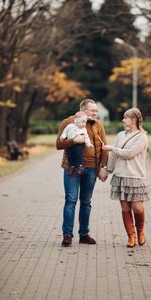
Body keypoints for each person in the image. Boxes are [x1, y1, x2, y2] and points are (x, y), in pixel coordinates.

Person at [56, 99, 108, 246]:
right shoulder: (68, 122)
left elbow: (105, 147)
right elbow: (58, 144)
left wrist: (104, 167)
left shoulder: (98, 125)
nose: (95, 113)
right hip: (72, 168)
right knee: (71, 200)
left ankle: (84, 234)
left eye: (96, 111)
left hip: (91, 169)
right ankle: (67, 236)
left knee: (86, 202)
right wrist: (73, 140)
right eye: (93, 110)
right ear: (83, 110)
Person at [102, 108, 149, 248]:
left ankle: (140, 232)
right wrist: (107, 170)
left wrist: (112, 148)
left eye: (126, 118)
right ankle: (131, 236)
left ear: (134, 120)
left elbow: (130, 153)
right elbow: (114, 156)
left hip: (135, 177)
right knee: (125, 208)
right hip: (120, 176)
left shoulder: (142, 137)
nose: (123, 120)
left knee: (137, 208)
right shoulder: (120, 135)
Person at [60, 111, 93, 175]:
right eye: (83, 122)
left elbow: (86, 137)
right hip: (70, 144)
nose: (84, 124)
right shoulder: (70, 126)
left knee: (78, 155)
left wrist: (88, 144)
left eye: (85, 122)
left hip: (79, 145)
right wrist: (63, 136)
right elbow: (65, 132)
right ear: (77, 121)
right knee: (70, 155)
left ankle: (80, 166)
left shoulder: (83, 129)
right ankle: (72, 166)